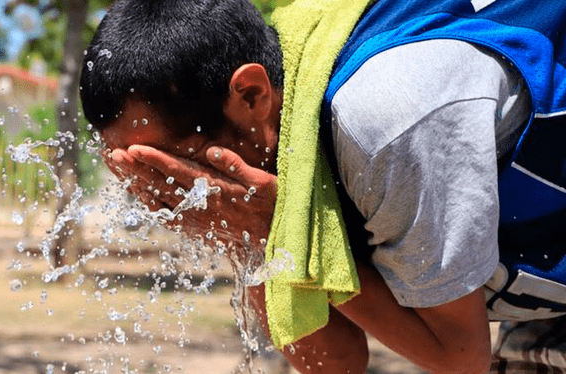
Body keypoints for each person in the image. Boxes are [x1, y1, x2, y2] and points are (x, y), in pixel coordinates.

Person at [79, 0, 566, 372]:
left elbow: (459, 357)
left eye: (171, 167)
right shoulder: (285, 123)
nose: (171, 193)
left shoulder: (386, 122)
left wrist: (282, 236)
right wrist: (251, 240)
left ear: (250, 94)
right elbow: (336, 362)